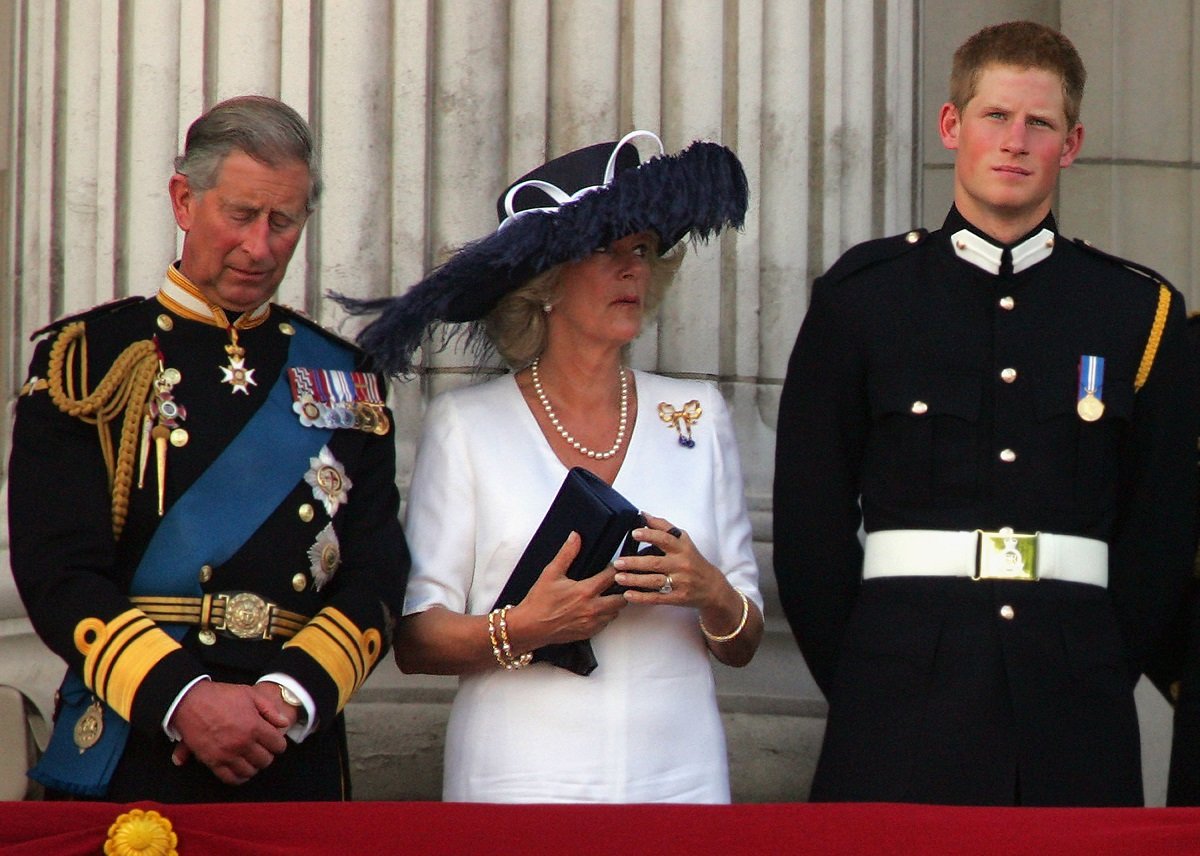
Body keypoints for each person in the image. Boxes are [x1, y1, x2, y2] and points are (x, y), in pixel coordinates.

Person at [773, 20, 1197, 807]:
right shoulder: (864, 299)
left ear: (1070, 145)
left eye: (1039, 123)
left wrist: (1098, 663)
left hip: (1074, 705)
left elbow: (1161, 533)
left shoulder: (1138, 311)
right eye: (996, 116)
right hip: (897, 700)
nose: (1015, 141)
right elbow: (810, 529)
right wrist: (872, 671)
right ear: (951, 126)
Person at [336, 131, 762, 803]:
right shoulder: (468, 425)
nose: (632, 269)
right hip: (519, 779)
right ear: (545, 284)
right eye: (608, 248)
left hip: (678, 783)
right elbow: (416, 638)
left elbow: (743, 638)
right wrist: (526, 627)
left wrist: (710, 590)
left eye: (643, 250)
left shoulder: (697, 413)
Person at [7, 95, 409, 802]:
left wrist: (289, 697)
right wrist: (183, 698)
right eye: (242, 215)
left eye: (283, 221)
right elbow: (57, 569)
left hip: (287, 753)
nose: (261, 247)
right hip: (135, 743)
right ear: (185, 200)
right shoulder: (90, 361)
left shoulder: (346, 379)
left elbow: (377, 573)